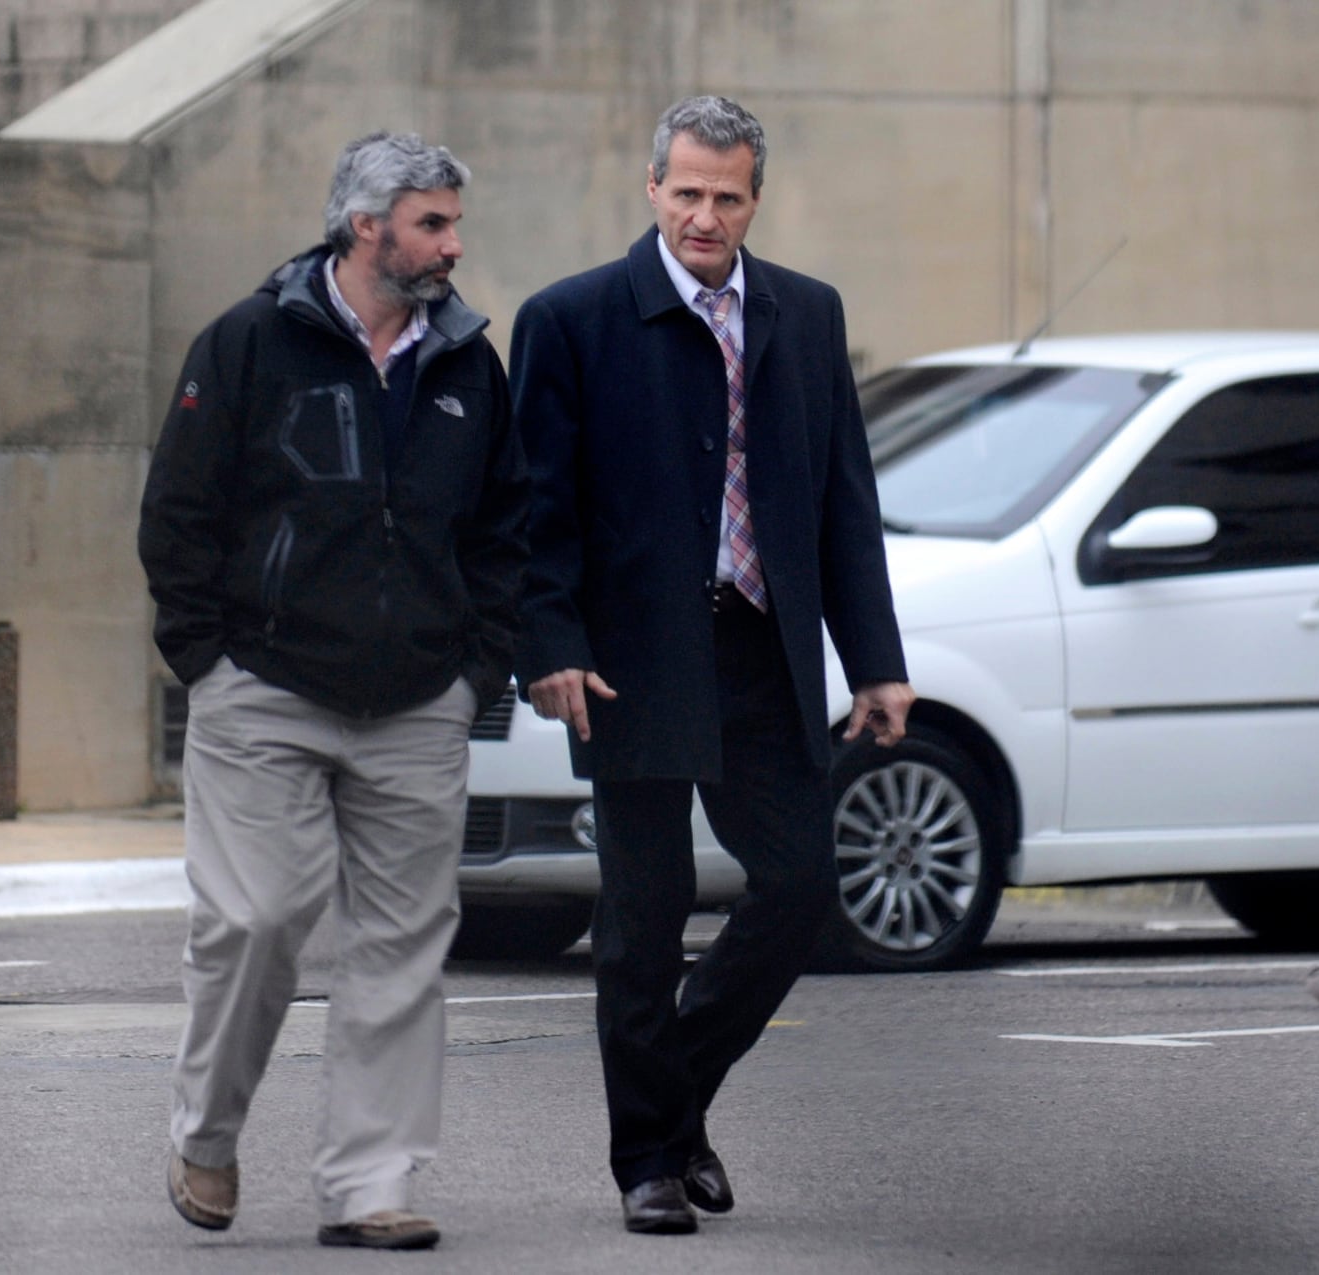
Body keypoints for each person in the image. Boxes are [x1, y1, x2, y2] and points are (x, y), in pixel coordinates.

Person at [508, 95, 916, 1235]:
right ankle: (647, 1161)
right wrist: (549, 648)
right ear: (651, 189)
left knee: (796, 888)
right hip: (629, 661)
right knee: (645, 913)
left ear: (753, 199)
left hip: (757, 648)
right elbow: (535, 514)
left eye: (725, 195)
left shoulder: (805, 313)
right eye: (683, 191)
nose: (703, 214)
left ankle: (672, 1101)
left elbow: (842, 500)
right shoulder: (571, 319)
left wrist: (873, 659)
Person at [137, 131, 528, 1252]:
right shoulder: (252, 342)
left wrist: (471, 670)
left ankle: (371, 1185)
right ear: (367, 227)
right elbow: (179, 512)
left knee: (402, 948)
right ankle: (206, 1134)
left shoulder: (464, 364)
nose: (454, 244)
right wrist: (205, 658)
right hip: (262, 686)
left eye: (454, 222)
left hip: (416, 702)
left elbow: (503, 528)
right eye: (433, 223)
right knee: (257, 919)